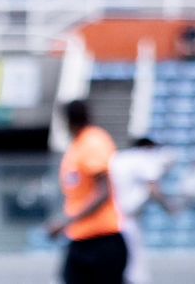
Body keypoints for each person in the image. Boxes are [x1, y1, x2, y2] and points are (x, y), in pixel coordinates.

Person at [47, 100, 128, 284]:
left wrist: (66, 221)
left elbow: (103, 192)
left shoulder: (93, 142)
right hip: (81, 238)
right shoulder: (77, 145)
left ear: (67, 120)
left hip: (102, 240)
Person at [110, 137, 178, 284]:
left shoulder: (121, 158)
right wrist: (168, 207)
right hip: (125, 221)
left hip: (109, 219)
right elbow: (154, 188)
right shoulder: (143, 158)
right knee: (136, 269)